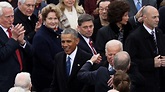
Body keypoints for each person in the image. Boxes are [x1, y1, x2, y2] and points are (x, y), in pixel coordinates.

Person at [124, 5, 165, 92]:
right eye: (154, 17)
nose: (157, 20)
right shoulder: (134, 37)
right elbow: (130, 62)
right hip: (144, 84)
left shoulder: (159, 33)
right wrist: (151, 63)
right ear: (145, 18)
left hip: (160, 82)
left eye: (158, 17)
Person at [77, 40, 144, 92]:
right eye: (110, 54)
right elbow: (84, 78)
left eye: (115, 54)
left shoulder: (130, 66)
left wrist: (120, 77)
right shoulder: (99, 67)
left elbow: (140, 80)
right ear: (105, 53)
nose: (113, 57)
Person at [0, 1, 32, 92]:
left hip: (21, 79)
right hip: (5, 81)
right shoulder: (13, 33)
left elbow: (31, 52)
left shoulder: (15, 28)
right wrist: (14, 39)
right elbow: (2, 55)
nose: (11, 20)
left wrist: (22, 42)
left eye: (12, 16)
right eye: (7, 17)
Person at [32, 4, 64, 92]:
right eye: (50, 19)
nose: (53, 21)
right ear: (44, 19)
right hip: (46, 83)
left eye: (55, 18)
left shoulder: (61, 33)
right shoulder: (40, 37)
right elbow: (48, 62)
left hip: (57, 78)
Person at [14, 0, 41, 74]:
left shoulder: (33, 17)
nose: (31, 8)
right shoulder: (14, 19)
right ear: (19, 4)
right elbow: (21, 39)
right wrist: (34, 32)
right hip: (23, 61)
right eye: (28, 5)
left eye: (33, 6)